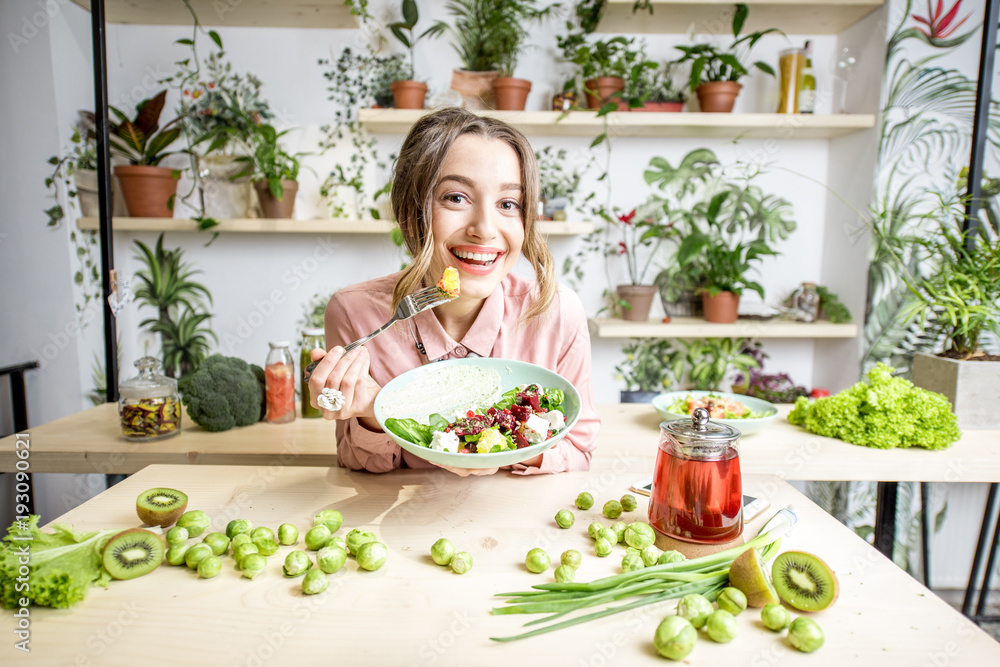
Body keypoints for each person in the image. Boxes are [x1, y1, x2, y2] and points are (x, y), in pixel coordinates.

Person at [307, 107, 599, 475]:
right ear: (412, 211)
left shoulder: (556, 312)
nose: (485, 229)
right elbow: (360, 461)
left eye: (508, 204)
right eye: (456, 198)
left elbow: (578, 451)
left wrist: (501, 443)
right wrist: (374, 409)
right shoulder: (356, 314)